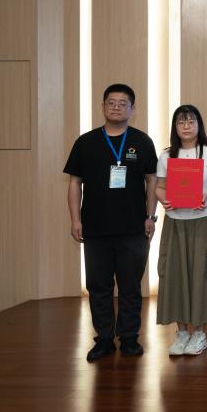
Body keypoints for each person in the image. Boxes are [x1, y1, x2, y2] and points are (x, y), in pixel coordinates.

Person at [65, 83, 158, 361]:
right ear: (103, 106)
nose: (116, 107)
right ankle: (104, 339)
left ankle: (129, 338)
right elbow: (75, 183)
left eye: (123, 103)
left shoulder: (142, 141)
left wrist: (151, 216)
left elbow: (152, 180)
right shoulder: (86, 142)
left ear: (132, 109)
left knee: (130, 286)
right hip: (95, 228)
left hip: (133, 228)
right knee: (98, 286)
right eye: (111, 102)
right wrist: (75, 219)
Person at [154, 105, 207, 356]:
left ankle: (199, 334)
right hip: (175, 222)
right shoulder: (166, 155)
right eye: (181, 122)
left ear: (199, 125)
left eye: (191, 122)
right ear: (175, 127)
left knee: (202, 275)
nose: (186, 126)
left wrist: (206, 195)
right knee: (175, 275)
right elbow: (159, 187)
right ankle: (182, 333)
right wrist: (164, 200)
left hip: (202, 221)